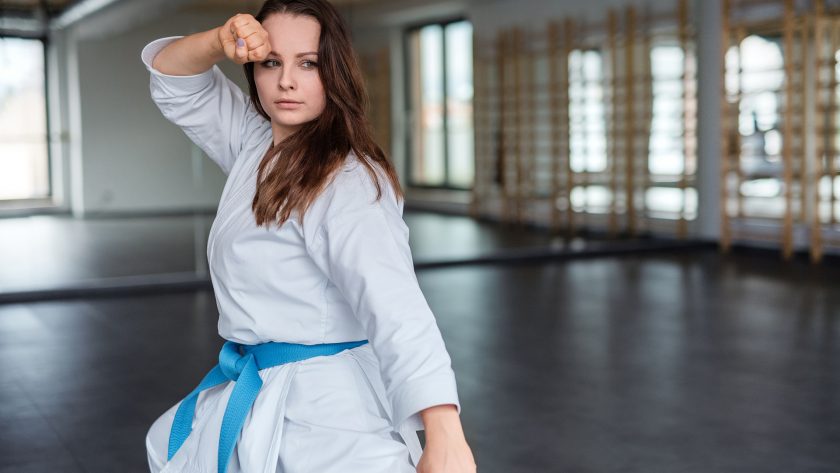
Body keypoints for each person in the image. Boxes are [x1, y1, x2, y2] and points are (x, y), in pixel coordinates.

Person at [139, 0, 476, 472]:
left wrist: (444, 433)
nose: (286, 81)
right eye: (271, 62)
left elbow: (395, 307)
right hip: (262, 384)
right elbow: (173, 77)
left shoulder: (348, 181)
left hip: (328, 406)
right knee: (168, 444)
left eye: (308, 64)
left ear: (335, 72)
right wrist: (220, 40)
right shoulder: (255, 143)